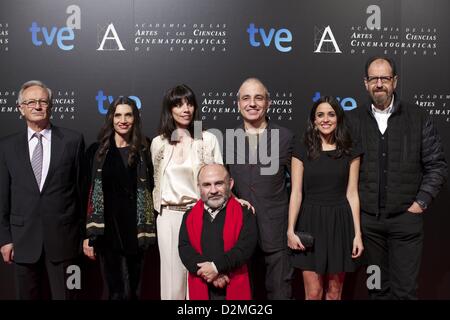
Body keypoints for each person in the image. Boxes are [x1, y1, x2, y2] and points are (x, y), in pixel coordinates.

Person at [348, 56, 447, 299]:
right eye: (374, 78)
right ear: (365, 83)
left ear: (395, 81)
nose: (379, 83)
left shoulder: (417, 117)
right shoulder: (352, 120)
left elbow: (437, 165)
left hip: (406, 223)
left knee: (405, 292)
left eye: (385, 78)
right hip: (369, 226)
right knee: (376, 290)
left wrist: (420, 202)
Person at [0, 80, 84, 299]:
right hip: (22, 241)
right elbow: (3, 197)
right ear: (21, 109)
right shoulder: (7, 146)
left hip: (65, 243)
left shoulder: (73, 141)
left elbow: (82, 192)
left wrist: (86, 237)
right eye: (30, 102)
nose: (37, 106)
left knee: (70, 295)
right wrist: (5, 239)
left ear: (51, 105)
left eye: (42, 101)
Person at [287, 96, 364, 300]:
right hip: (310, 221)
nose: (325, 119)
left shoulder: (350, 149)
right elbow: (296, 193)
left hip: (340, 223)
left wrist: (357, 234)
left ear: (338, 118)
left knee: (334, 293)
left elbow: (352, 193)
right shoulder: (301, 148)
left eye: (331, 114)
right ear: (314, 120)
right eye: (320, 115)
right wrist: (290, 230)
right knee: (313, 293)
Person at [151, 84, 223, 300]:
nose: (186, 109)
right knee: (172, 281)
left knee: (199, 278)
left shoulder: (207, 139)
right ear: (169, 109)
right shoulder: (158, 143)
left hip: (199, 214)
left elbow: (220, 179)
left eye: (190, 103)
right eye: (179, 104)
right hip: (168, 216)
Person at [226, 78, 294, 299]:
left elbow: (300, 185)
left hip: (276, 230)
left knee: (280, 292)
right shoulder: (227, 139)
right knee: (244, 295)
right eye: (246, 98)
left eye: (258, 98)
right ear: (238, 104)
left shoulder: (285, 137)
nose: (252, 103)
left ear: (268, 103)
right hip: (240, 231)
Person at [83, 96, 155, 300]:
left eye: (128, 115)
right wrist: (88, 235)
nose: (123, 120)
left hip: (137, 232)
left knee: (133, 291)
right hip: (107, 234)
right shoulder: (96, 152)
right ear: (111, 119)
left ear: (135, 118)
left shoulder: (145, 150)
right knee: (113, 291)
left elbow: (155, 186)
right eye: (118, 115)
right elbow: (85, 194)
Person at [178, 163, 257, 300]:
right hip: (202, 287)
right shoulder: (189, 216)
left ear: (230, 184)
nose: (213, 190)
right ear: (199, 188)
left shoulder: (245, 213)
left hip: (234, 285)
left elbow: (244, 249)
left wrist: (216, 267)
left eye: (219, 183)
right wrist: (211, 274)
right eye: (207, 185)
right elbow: (185, 249)